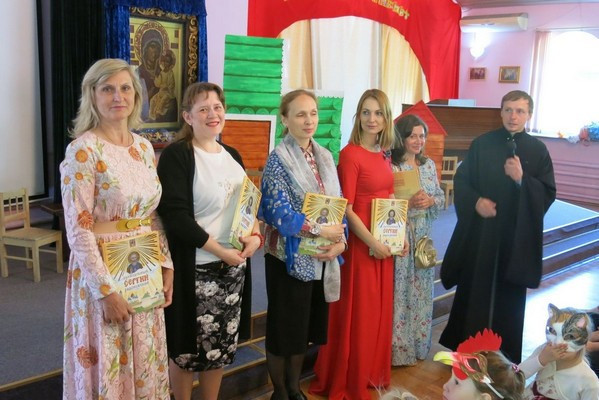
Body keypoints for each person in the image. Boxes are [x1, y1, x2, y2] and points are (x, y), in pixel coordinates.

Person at [60, 58, 174, 399]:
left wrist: (165, 263)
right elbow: (78, 229)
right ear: (92, 95)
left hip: (143, 267)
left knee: (144, 355)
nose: (117, 96)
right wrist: (105, 291)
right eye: (107, 89)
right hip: (104, 271)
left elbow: (151, 214)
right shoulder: (83, 150)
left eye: (125, 88)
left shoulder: (143, 147)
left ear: (136, 95)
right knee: (111, 357)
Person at [156, 82, 259, 400]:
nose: (213, 114)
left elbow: (247, 204)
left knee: (220, 350)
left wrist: (255, 237)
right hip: (196, 270)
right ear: (188, 116)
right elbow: (176, 217)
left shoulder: (232, 155)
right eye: (203, 109)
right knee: (186, 352)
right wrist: (220, 251)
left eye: (217, 107)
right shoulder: (178, 155)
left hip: (232, 271)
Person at [440, 90, 556, 363]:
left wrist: (522, 180)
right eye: (508, 110)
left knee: (509, 298)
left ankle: (503, 358)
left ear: (529, 115)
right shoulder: (482, 144)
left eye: (520, 111)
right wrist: (475, 201)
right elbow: (462, 180)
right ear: (501, 112)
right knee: (474, 291)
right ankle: (467, 353)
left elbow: (548, 192)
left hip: (515, 238)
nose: (513, 116)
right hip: (482, 235)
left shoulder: (538, 150)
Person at [310, 89, 408, 400]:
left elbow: (390, 196)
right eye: (366, 112)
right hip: (362, 246)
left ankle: (368, 373)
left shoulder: (382, 153)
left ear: (386, 118)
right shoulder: (350, 155)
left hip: (382, 244)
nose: (371, 119)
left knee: (375, 312)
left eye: (378, 113)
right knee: (360, 314)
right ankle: (348, 377)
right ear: (358, 116)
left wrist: (399, 235)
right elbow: (347, 208)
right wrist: (373, 242)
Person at [259, 89, 347, 400]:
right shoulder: (278, 160)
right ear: (285, 119)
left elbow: (337, 205)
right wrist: (322, 229)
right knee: (284, 329)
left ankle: (295, 389)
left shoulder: (325, 156)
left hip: (320, 256)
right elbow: (279, 214)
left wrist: (340, 241)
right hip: (287, 258)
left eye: (313, 113)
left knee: (303, 329)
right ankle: (280, 392)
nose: (309, 120)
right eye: (300, 114)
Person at [390, 114, 444, 366]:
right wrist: (408, 203)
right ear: (401, 137)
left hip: (423, 236)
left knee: (422, 293)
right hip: (402, 234)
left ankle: (419, 345)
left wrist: (431, 200)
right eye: (412, 136)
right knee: (401, 293)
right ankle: (399, 350)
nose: (418, 141)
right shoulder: (392, 165)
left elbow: (441, 197)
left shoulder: (428, 165)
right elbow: (385, 203)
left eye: (422, 136)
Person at [519, 304, 599, 399]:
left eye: (570, 336)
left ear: (585, 341)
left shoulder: (588, 380)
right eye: (553, 331)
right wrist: (540, 360)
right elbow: (515, 376)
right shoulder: (544, 351)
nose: (557, 342)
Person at [149, 49, 177, 122]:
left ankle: (158, 112)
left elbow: (171, 84)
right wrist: (156, 77)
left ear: (170, 63)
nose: (165, 63)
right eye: (164, 61)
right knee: (153, 100)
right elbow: (158, 84)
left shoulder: (170, 73)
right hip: (161, 92)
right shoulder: (161, 73)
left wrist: (166, 87)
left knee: (163, 99)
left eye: (167, 62)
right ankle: (152, 114)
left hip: (168, 93)